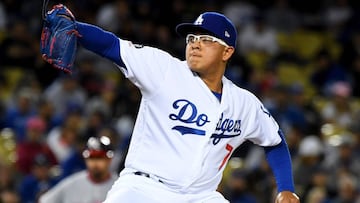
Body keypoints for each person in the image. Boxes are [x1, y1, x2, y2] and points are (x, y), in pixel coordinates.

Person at [45, 5, 300, 203]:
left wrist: (286, 188)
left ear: (227, 52)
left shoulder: (244, 104)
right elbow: (112, 45)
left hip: (200, 196)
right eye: (191, 39)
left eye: (207, 39)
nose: (195, 45)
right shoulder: (164, 70)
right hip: (144, 188)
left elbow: (275, 141)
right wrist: (76, 27)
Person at [38, 135, 118, 203]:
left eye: (100, 158)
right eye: (91, 158)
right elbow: (44, 200)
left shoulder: (119, 184)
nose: (95, 163)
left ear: (109, 159)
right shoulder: (73, 182)